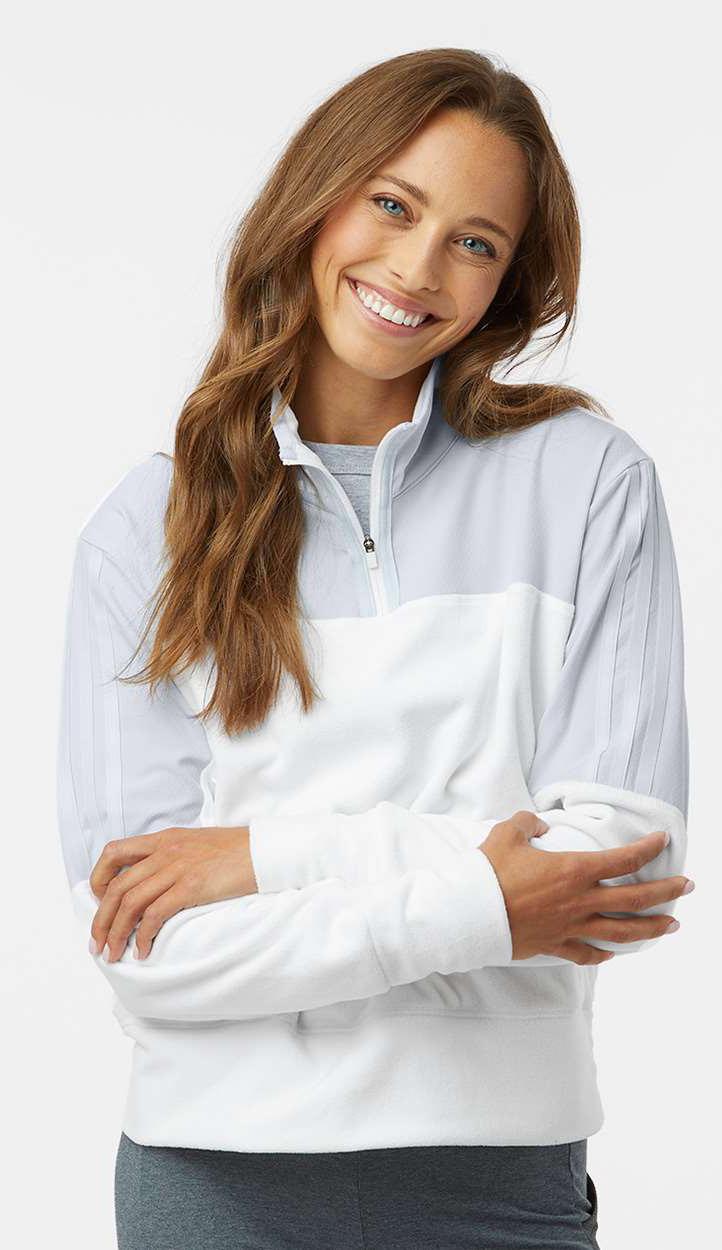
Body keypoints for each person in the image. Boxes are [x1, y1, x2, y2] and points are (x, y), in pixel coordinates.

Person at [56, 47, 693, 1250]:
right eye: (392, 204)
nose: (415, 267)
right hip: (213, 1185)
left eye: (474, 241)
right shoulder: (144, 530)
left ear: (507, 280)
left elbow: (613, 864)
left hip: (496, 1183)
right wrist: (484, 901)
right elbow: (147, 940)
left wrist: (264, 852)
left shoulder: (585, 482)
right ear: (315, 198)